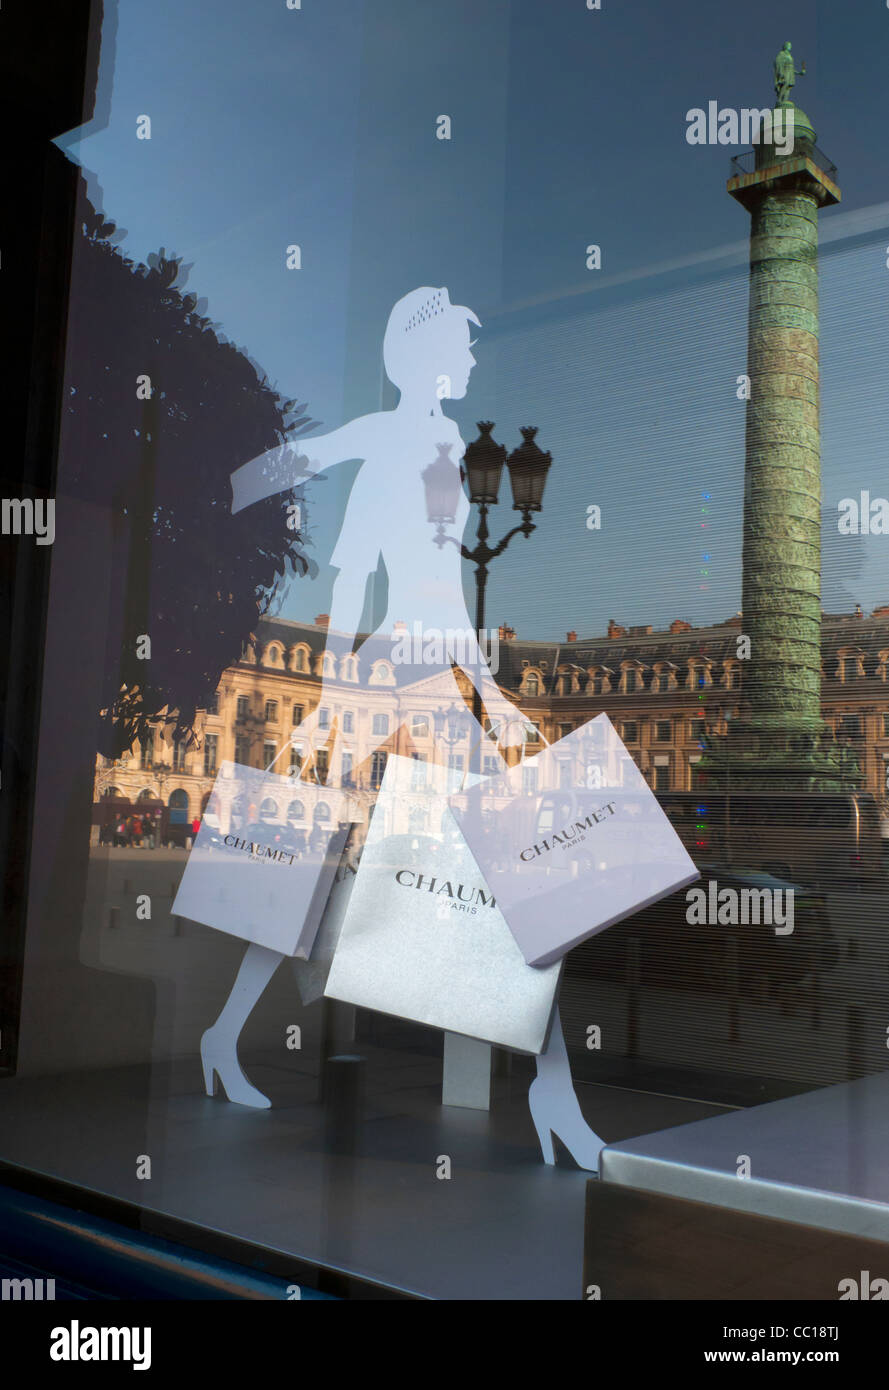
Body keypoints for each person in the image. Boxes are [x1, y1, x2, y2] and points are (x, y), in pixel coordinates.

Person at [200, 287, 603, 1170]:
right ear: (422, 354)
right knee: (305, 865)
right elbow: (352, 571)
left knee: (502, 867)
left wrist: (484, 690)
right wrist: (335, 689)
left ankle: (551, 1085)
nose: (467, 362)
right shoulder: (393, 442)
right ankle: (224, 1036)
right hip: (384, 668)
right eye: (458, 345)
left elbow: (440, 589)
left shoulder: (444, 448)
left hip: (436, 664)